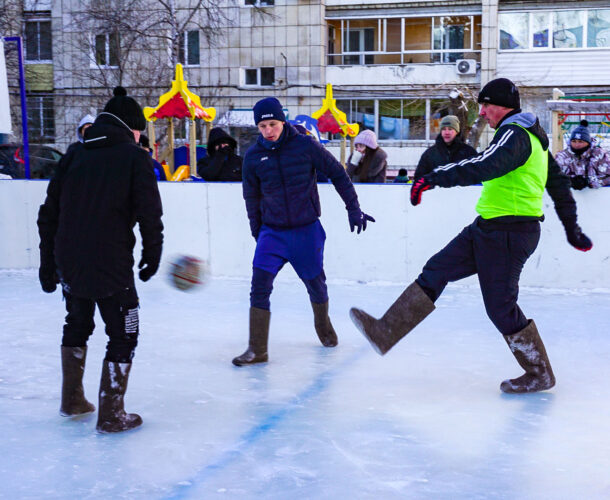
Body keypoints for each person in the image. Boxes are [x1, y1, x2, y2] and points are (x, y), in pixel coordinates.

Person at [350, 78, 593, 394]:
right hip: (489, 227)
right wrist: (572, 229)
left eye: (485, 105)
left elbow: (486, 165)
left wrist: (436, 177)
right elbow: (556, 185)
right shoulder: (520, 135)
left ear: (499, 105)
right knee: (437, 269)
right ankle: (385, 331)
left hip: (510, 232)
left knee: (500, 307)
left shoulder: (517, 134)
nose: (483, 112)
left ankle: (539, 372)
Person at [37, 86, 164, 432]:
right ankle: (111, 414)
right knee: (125, 332)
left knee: (77, 322)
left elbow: (48, 214)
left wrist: (48, 264)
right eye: (139, 130)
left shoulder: (74, 155)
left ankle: (72, 400)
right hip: (111, 264)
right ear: (130, 127)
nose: (140, 136)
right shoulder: (135, 157)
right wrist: (153, 254)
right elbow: (150, 214)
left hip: (70, 261)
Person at [235, 97, 375, 366]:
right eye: (262, 126)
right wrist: (258, 233)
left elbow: (338, 173)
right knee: (259, 287)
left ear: (282, 121)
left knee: (315, 284)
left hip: (305, 230)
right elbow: (250, 198)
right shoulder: (253, 156)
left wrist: (353, 208)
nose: (268, 131)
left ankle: (323, 325)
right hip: (272, 233)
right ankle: (257, 349)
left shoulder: (304, 145)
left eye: (272, 124)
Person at [414, 114, 478, 179]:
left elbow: (477, 176)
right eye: (444, 129)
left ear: (457, 131)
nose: (447, 132)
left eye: (450, 129)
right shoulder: (430, 154)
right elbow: (419, 179)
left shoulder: (469, 152)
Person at [555, 120, 610, 190]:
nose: (577, 144)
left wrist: (588, 182)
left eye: (580, 141)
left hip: (597, 197)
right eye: (574, 141)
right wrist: (570, 181)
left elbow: (608, 177)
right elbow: (553, 177)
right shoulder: (562, 156)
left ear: (588, 142)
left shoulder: (599, 155)